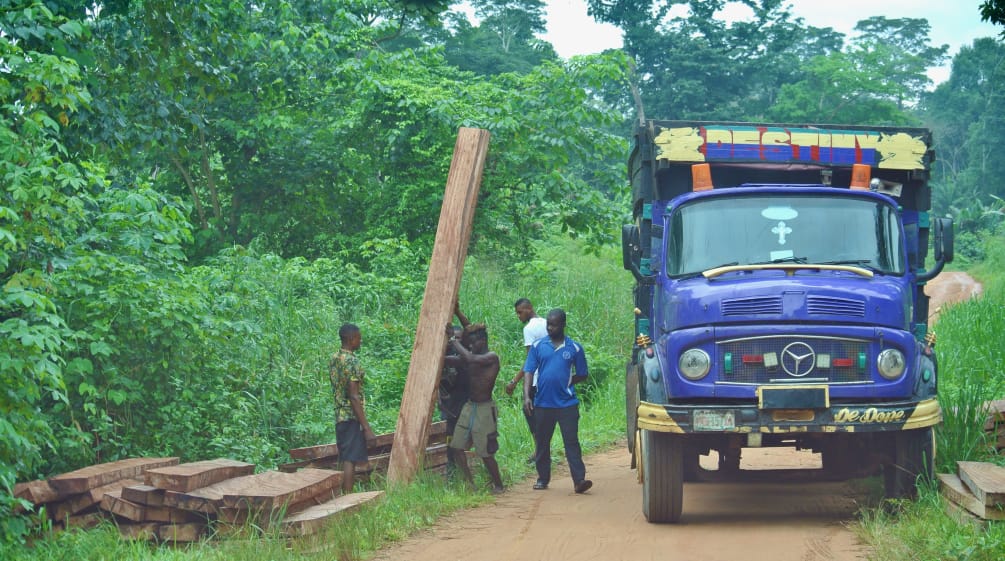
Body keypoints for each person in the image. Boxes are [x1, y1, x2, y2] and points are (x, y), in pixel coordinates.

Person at [522, 308, 592, 494]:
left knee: (571, 442)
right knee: (542, 443)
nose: (550, 328)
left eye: (553, 325)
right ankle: (542, 479)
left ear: (563, 325)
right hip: (543, 404)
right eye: (548, 325)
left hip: (567, 404)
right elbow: (528, 371)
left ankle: (579, 480)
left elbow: (583, 374)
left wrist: (569, 381)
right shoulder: (538, 346)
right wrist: (527, 396)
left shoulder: (574, 348)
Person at [445, 323, 505, 494]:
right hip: (469, 407)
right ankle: (470, 484)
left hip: (485, 408)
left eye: (473, 343)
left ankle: (499, 485)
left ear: (483, 341)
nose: (470, 346)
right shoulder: (472, 356)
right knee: (456, 447)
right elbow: (456, 359)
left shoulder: (490, 357)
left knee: (485, 452)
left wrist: (452, 340)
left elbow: (470, 359)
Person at [329, 323, 377, 495]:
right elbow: (354, 395)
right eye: (358, 337)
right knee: (350, 459)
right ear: (350, 339)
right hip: (351, 416)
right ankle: (347, 499)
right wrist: (366, 427)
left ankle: (345, 495)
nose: (360, 340)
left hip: (339, 415)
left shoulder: (334, 358)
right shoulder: (352, 362)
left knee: (345, 456)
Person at [505, 298, 548, 463]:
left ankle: (539, 450)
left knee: (530, 412)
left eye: (520, 312)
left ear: (529, 309)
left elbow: (531, 360)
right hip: (550, 376)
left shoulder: (529, 329)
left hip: (536, 378)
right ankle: (541, 450)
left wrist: (514, 381)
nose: (518, 316)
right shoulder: (547, 323)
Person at [440, 302, 471, 473]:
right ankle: (453, 471)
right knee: (451, 440)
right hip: (450, 406)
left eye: (459, 338)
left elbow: (470, 327)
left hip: (466, 404)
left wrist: (458, 311)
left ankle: (467, 471)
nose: (455, 341)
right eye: (453, 338)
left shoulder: (467, 354)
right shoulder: (443, 355)